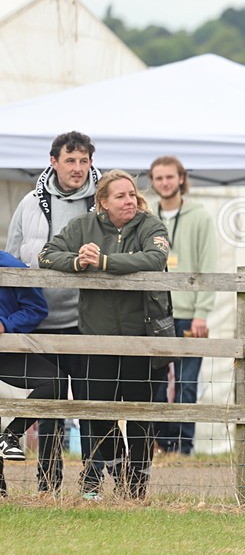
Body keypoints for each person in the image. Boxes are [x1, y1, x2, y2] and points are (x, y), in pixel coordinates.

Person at [39, 170, 171, 499]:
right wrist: (78, 262)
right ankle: (118, 464)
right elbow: (46, 255)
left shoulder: (150, 225)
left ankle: (138, 484)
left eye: (132, 194)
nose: (129, 200)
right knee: (99, 413)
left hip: (142, 338)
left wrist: (105, 261)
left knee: (141, 414)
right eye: (120, 196)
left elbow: (155, 259)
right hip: (96, 337)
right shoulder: (83, 227)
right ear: (103, 201)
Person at [5, 130, 100, 493]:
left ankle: (91, 483)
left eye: (84, 161)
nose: (77, 168)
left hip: (86, 320)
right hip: (42, 320)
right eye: (70, 160)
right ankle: (48, 484)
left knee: (92, 404)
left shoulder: (101, 202)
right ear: (54, 162)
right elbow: (12, 257)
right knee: (51, 405)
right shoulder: (30, 202)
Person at [148, 156, 217, 456]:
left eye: (169, 177)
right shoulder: (147, 217)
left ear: (180, 178)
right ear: (153, 182)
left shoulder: (200, 216)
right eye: (158, 178)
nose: (164, 182)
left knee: (188, 383)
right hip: (158, 314)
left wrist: (202, 313)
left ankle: (184, 448)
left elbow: (209, 266)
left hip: (190, 315)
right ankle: (163, 444)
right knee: (159, 384)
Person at [0, 251, 58, 495]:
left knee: (52, 381)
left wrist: (5, 324)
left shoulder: (11, 266)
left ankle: (10, 435)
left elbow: (36, 309)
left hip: (6, 351)